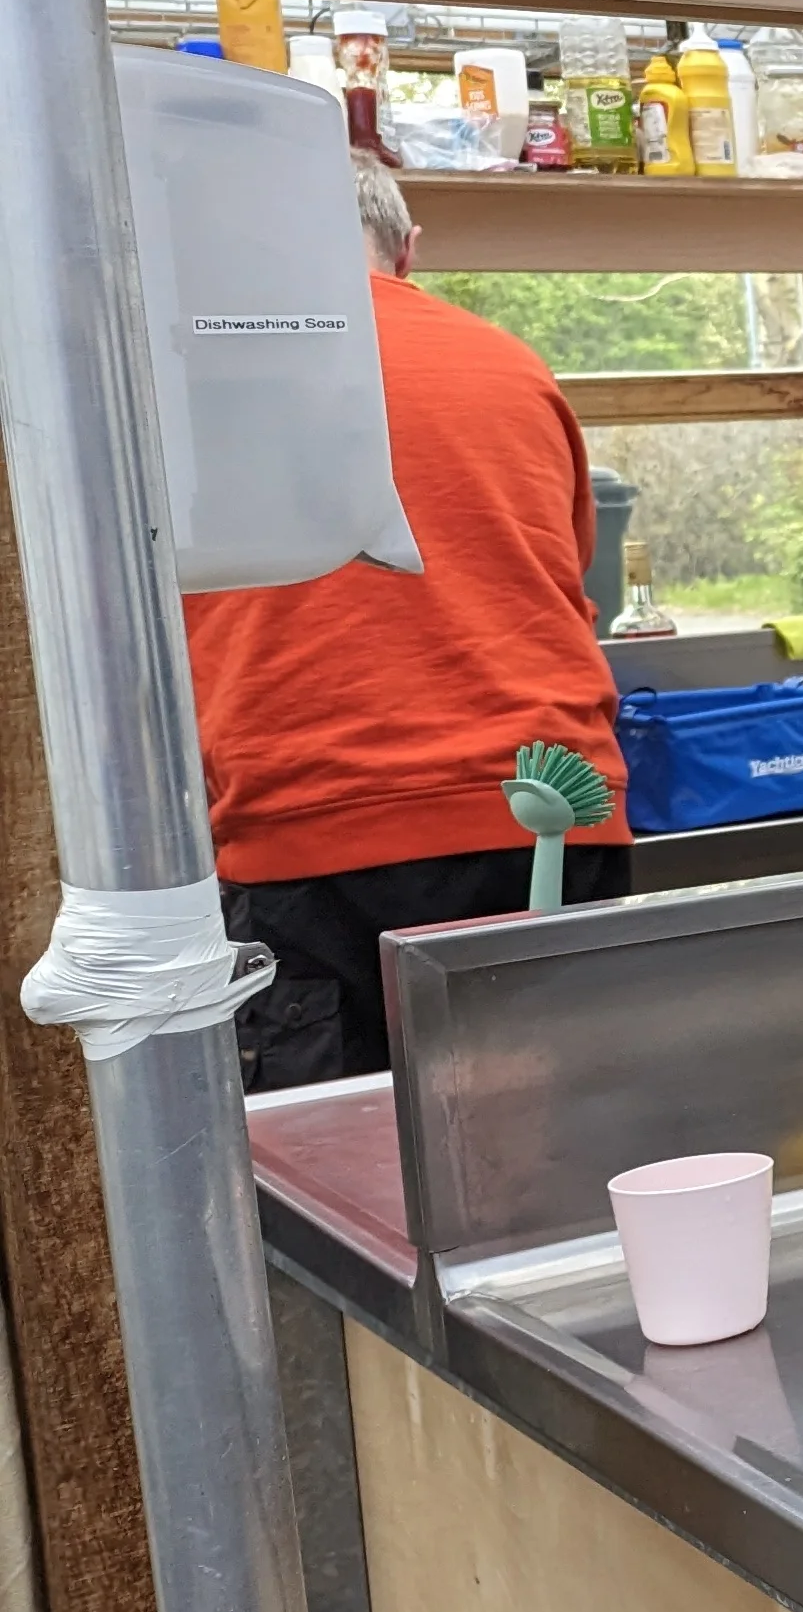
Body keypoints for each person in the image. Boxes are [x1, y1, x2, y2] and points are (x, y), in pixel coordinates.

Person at [195, 157, 634, 1096]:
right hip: (547, 817)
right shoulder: (513, 365)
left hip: (314, 838)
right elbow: (565, 586)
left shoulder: (201, 375)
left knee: (341, 1197)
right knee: (548, 1170)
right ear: (409, 251)